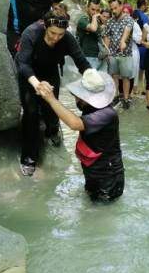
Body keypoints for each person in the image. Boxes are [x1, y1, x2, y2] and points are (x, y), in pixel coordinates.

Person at [15, 12, 91, 176]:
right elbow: (23, 64)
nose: (56, 38)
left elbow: (81, 61)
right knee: (31, 113)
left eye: (60, 34)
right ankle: (29, 157)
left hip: (50, 72)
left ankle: (52, 130)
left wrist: (92, 77)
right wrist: (36, 84)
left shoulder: (67, 38)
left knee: (52, 106)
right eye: (52, 33)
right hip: (30, 74)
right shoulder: (31, 33)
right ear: (45, 26)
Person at [37, 69, 124, 203]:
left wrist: (51, 99)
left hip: (108, 180)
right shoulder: (90, 109)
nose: (76, 98)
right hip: (94, 174)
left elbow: (74, 124)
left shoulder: (107, 114)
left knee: (100, 217)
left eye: (79, 96)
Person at [104, 0, 134, 109]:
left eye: (115, 8)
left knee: (125, 77)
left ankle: (126, 99)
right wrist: (107, 51)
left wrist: (123, 41)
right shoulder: (110, 21)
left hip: (125, 54)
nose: (114, 11)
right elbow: (107, 36)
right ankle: (115, 96)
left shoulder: (128, 19)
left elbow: (127, 30)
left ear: (121, 6)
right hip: (113, 53)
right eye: (112, 9)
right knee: (114, 76)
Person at [77, 0, 108, 72]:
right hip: (88, 57)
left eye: (97, 10)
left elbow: (101, 37)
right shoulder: (83, 20)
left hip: (101, 57)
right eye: (93, 9)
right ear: (87, 8)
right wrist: (94, 17)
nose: (95, 12)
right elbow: (93, 28)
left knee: (102, 82)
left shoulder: (97, 21)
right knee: (91, 82)